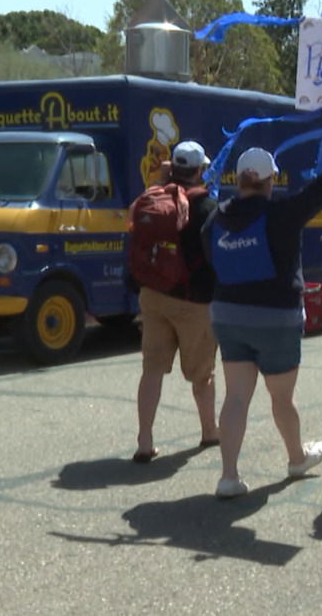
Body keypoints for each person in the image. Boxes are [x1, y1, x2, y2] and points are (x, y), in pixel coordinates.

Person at [202, 145, 322, 498]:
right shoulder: (282, 212)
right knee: (281, 398)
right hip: (276, 317)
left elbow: (208, 258)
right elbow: (321, 187)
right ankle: (297, 458)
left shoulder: (215, 218)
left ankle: (229, 477)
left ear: (238, 180)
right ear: (269, 180)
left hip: (227, 313)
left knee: (236, 397)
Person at [131, 141, 220, 463]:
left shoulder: (156, 198)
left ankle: (145, 440)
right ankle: (210, 431)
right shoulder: (207, 207)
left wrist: (161, 179)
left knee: (152, 369)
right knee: (202, 374)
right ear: (200, 170)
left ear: (173, 168)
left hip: (153, 294)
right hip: (192, 302)